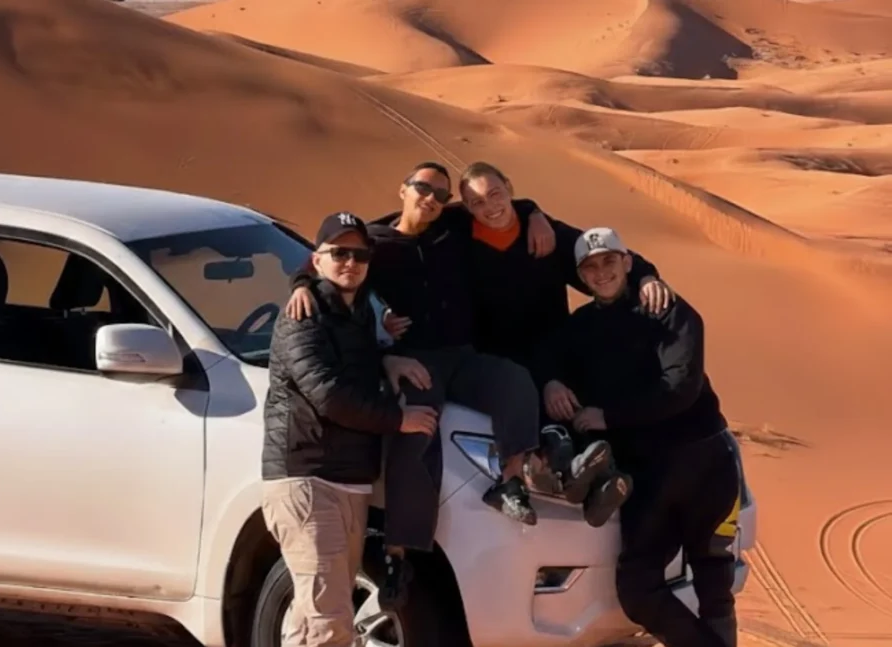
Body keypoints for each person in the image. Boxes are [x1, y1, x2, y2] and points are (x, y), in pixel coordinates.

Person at [285, 162, 561, 610]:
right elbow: (323, 257)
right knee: (417, 430)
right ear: (404, 190)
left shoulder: (451, 225)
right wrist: (301, 284)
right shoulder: (374, 241)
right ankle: (399, 550)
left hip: (463, 354)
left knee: (514, 381)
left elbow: (503, 204)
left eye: (440, 193)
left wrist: (534, 212)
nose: (431, 198)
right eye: (423, 189)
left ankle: (510, 481)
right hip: (418, 361)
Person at [536, 226, 740, 647]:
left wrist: (609, 417)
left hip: (704, 459)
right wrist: (551, 382)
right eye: (590, 267)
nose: (602, 272)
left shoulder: (669, 310)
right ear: (581, 276)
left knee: (714, 581)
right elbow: (546, 358)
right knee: (638, 589)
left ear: (627, 262)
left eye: (610, 260)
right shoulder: (579, 327)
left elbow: (680, 388)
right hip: (646, 475)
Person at [454, 161, 674, 526]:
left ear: (510, 187)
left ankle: (600, 478)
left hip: (557, 352)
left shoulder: (545, 235)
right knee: (541, 407)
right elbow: (407, 221)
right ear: (466, 208)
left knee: (590, 397)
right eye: (476, 202)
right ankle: (576, 477)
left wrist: (647, 276)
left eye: (496, 193)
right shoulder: (461, 236)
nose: (489, 206)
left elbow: (600, 254)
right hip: (502, 360)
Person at [261, 212, 440, 647]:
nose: (350, 262)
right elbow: (329, 394)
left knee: (310, 618)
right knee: (330, 619)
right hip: (308, 478)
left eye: (359, 254)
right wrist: (400, 420)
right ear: (316, 260)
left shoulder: (359, 311)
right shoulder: (303, 316)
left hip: (348, 481)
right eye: (339, 253)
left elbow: (353, 364)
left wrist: (386, 360)